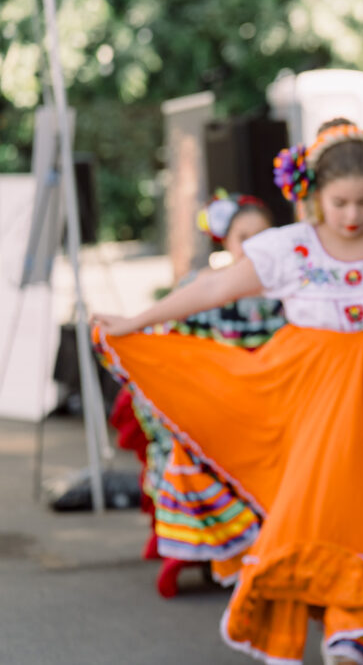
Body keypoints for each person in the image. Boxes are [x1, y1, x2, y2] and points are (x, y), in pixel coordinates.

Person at [93, 122, 363, 665]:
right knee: (319, 509)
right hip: (309, 397)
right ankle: (349, 624)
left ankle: (357, 627)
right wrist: (138, 320)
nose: (352, 216)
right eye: (339, 202)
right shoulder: (290, 248)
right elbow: (211, 287)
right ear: (311, 195)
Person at [107, 191, 287, 597]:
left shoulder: (287, 288)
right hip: (213, 402)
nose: (253, 245)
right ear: (226, 238)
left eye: (263, 235)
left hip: (271, 401)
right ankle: (214, 550)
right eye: (244, 236)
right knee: (189, 447)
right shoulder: (200, 285)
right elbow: (177, 349)